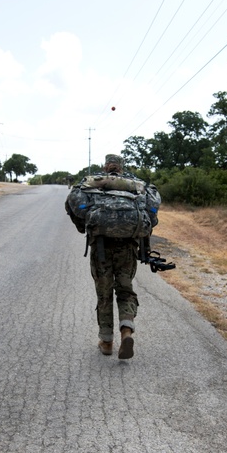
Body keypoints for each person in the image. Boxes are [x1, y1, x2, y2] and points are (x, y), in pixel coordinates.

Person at [68, 154, 144, 359]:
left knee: (104, 293)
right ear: (121, 167)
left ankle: (107, 341)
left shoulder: (94, 181)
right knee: (125, 290)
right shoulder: (134, 183)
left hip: (101, 246)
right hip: (127, 247)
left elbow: (73, 205)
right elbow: (150, 215)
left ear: (106, 165)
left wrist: (85, 226)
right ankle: (126, 330)